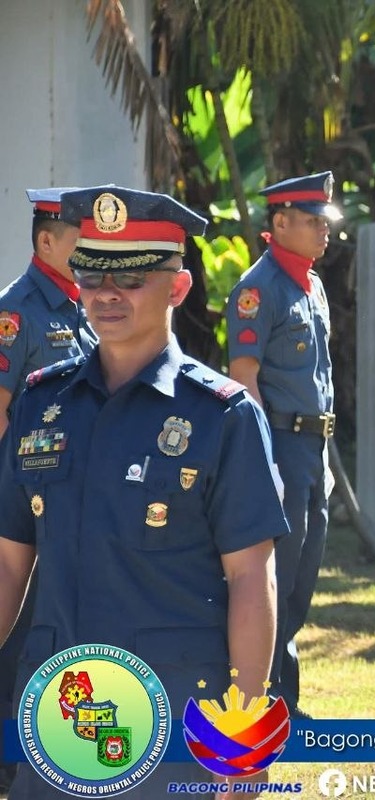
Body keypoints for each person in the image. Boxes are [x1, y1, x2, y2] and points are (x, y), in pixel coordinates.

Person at [0, 186, 285, 799]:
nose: (106, 293)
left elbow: (250, 576)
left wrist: (246, 722)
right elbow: (7, 562)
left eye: (131, 278)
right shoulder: (41, 403)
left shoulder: (222, 416)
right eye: (92, 274)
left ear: (177, 289)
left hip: (174, 716)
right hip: (57, 709)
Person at [226, 172, 339, 718]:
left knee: (303, 573)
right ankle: (264, 697)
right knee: (278, 572)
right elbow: (244, 376)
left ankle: (284, 699)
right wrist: (262, 457)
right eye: (314, 221)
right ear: (280, 223)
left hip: (313, 447)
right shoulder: (258, 288)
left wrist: (325, 458)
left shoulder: (311, 284)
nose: (324, 232)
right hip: (281, 446)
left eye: (325, 222)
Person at [0, 187, 99, 790]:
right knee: (20, 626)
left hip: (75, 497)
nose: (92, 251)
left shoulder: (83, 305)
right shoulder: (17, 311)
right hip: (25, 499)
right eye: (80, 240)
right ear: (46, 241)